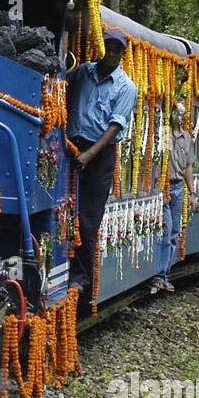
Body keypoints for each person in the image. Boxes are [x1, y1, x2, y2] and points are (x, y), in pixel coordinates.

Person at [66, 29, 139, 298]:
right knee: (63, 213)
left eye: (117, 49)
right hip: (71, 146)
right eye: (108, 47)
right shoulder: (82, 72)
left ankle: (81, 280)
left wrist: (89, 155)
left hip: (100, 155)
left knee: (87, 220)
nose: (111, 52)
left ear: (123, 54)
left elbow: (113, 128)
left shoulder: (126, 87)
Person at [152, 101, 197, 293]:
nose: (181, 117)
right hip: (164, 187)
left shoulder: (187, 138)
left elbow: (188, 166)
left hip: (179, 188)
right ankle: (158, 274)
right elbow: (156, 160)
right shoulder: (163, 134)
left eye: (183, 114)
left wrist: (192, 192)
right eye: (178, 113)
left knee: (174, 231)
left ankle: (164, 275)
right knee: (166, 228)